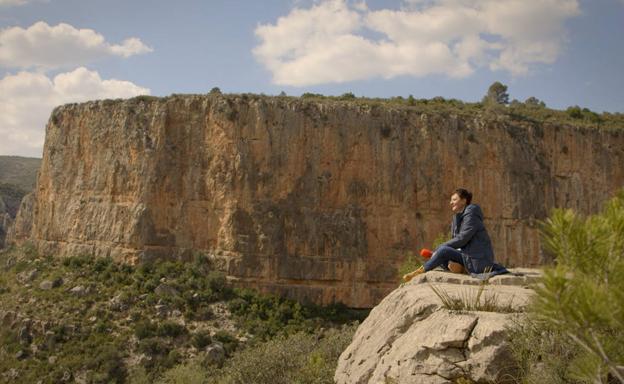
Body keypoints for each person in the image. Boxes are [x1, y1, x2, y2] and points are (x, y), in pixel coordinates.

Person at [403, 188, 504, 282]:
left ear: (464, 200)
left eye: (454, 200)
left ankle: (421, 271)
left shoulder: (472, 213)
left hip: (478, 260)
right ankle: (460, 267)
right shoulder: (458, 217)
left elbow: (462, 239)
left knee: (443, 250)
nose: (451, 203)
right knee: (443, 256)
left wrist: (440, 248)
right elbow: (456, 241)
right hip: (467, 256)